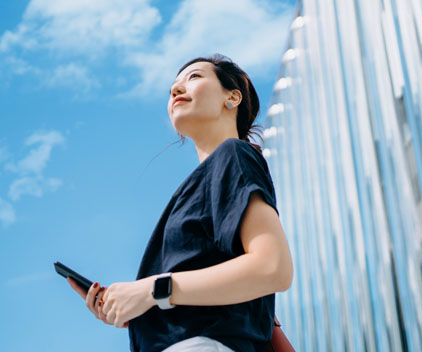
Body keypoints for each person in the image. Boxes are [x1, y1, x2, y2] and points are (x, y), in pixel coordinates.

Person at [68, 54, 293, 351]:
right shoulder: (202, 184)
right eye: (173, 87)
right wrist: (134, 308)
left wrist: (152, 290)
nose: (176, 90)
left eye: (194, 77)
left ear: (232, 97)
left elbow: (273, 268)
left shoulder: (233, 156)